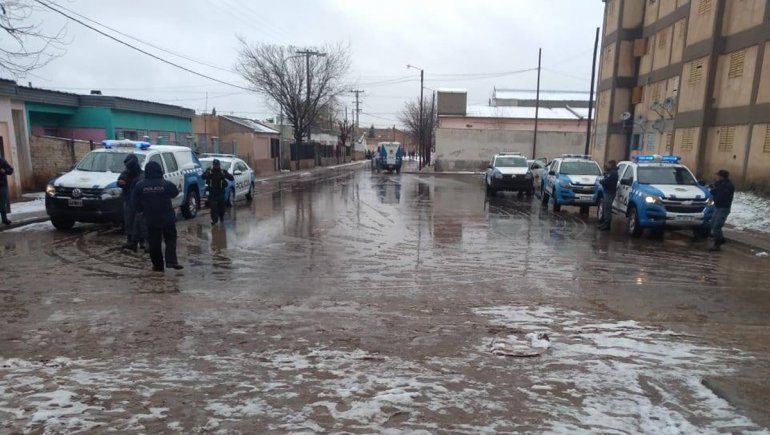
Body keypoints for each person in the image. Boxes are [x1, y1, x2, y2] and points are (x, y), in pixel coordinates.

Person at [132, 161, 183, 271]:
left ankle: (158, 266)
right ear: (160, 170)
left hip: (151, 218)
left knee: (154, 243)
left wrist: (141, 211)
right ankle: (171, 261)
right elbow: (175, 193)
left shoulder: (140, 185)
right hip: (167, 217)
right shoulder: (166, 184)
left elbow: (135, 202)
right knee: (170, 239)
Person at [117, 154, 146, 251]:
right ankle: (131, 241)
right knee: (129, 221)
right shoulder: (125, 173)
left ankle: (142, 242)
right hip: (128, 200)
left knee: (140, 223)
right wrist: (121, 182)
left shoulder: (141, 174)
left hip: (139, 203)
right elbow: (119, 182)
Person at [708, 169, 735, 251]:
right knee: (712, 223)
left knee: (717, 226)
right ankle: (720, 239)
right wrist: (712, 188)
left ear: (722, 177)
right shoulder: (719, 183)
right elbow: (713, 191)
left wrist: (714, 195)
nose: (717, 177)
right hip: (717, 207)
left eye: (718, 176)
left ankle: (717, 244)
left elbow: (720, 196)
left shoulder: (728, 186)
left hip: (724, 208)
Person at [202, 159, 233, 225]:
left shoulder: (222, 172)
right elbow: (203, 177)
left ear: (219, 165)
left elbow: (231, 178)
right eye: (215, 165)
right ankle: (214, 220)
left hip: (220, 193)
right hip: (212, 193)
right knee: (213, 208)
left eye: (217, 165)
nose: (216, 166)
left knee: (221, 208)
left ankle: (221, 218)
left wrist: (227, 175)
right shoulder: (209, 171)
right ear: (213, 165)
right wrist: (206, 174)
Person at [597, 160, 619, 231]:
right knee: (606, 208)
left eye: (609, 164)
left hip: (609, 192)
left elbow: (607, 181)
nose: (608, 165)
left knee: (607, 209)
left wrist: (601, 181)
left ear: (611, 165)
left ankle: (607, 225)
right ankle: (605, 223)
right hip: (608, 191)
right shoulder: (611, 172)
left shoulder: (613, 173)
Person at [0, 156, 13, 225]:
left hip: (2, 186)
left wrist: (4, 171)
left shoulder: (2, 161)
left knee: (2, 203)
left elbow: (10, 170)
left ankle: (4, 219)